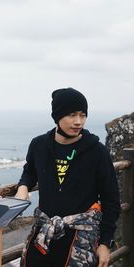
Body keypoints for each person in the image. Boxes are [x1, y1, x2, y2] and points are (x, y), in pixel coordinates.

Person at [15, 88, 120, 267]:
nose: (78, 121)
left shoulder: (97, 151)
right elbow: (30, 171)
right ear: (57, 116)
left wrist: (104, 244)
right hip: (44, 231)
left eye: (83, 115)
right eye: (71, 115)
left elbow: (111, 200)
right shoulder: (39, 145)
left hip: (81, 237)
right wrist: (23, 187)